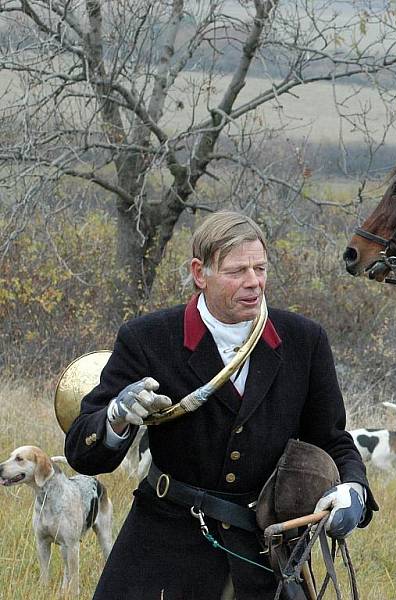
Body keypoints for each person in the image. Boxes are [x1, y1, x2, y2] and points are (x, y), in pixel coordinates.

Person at [65, 211, 377, 599]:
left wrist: (354, 489)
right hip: (163, 547)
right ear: (200, 273)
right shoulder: (147, 338)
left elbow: (332, 438)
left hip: (263, 554)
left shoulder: (304, 341)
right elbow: (83, 452)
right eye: (237, 271)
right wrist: (115, 417)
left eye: (260, 268)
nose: (253, 282)